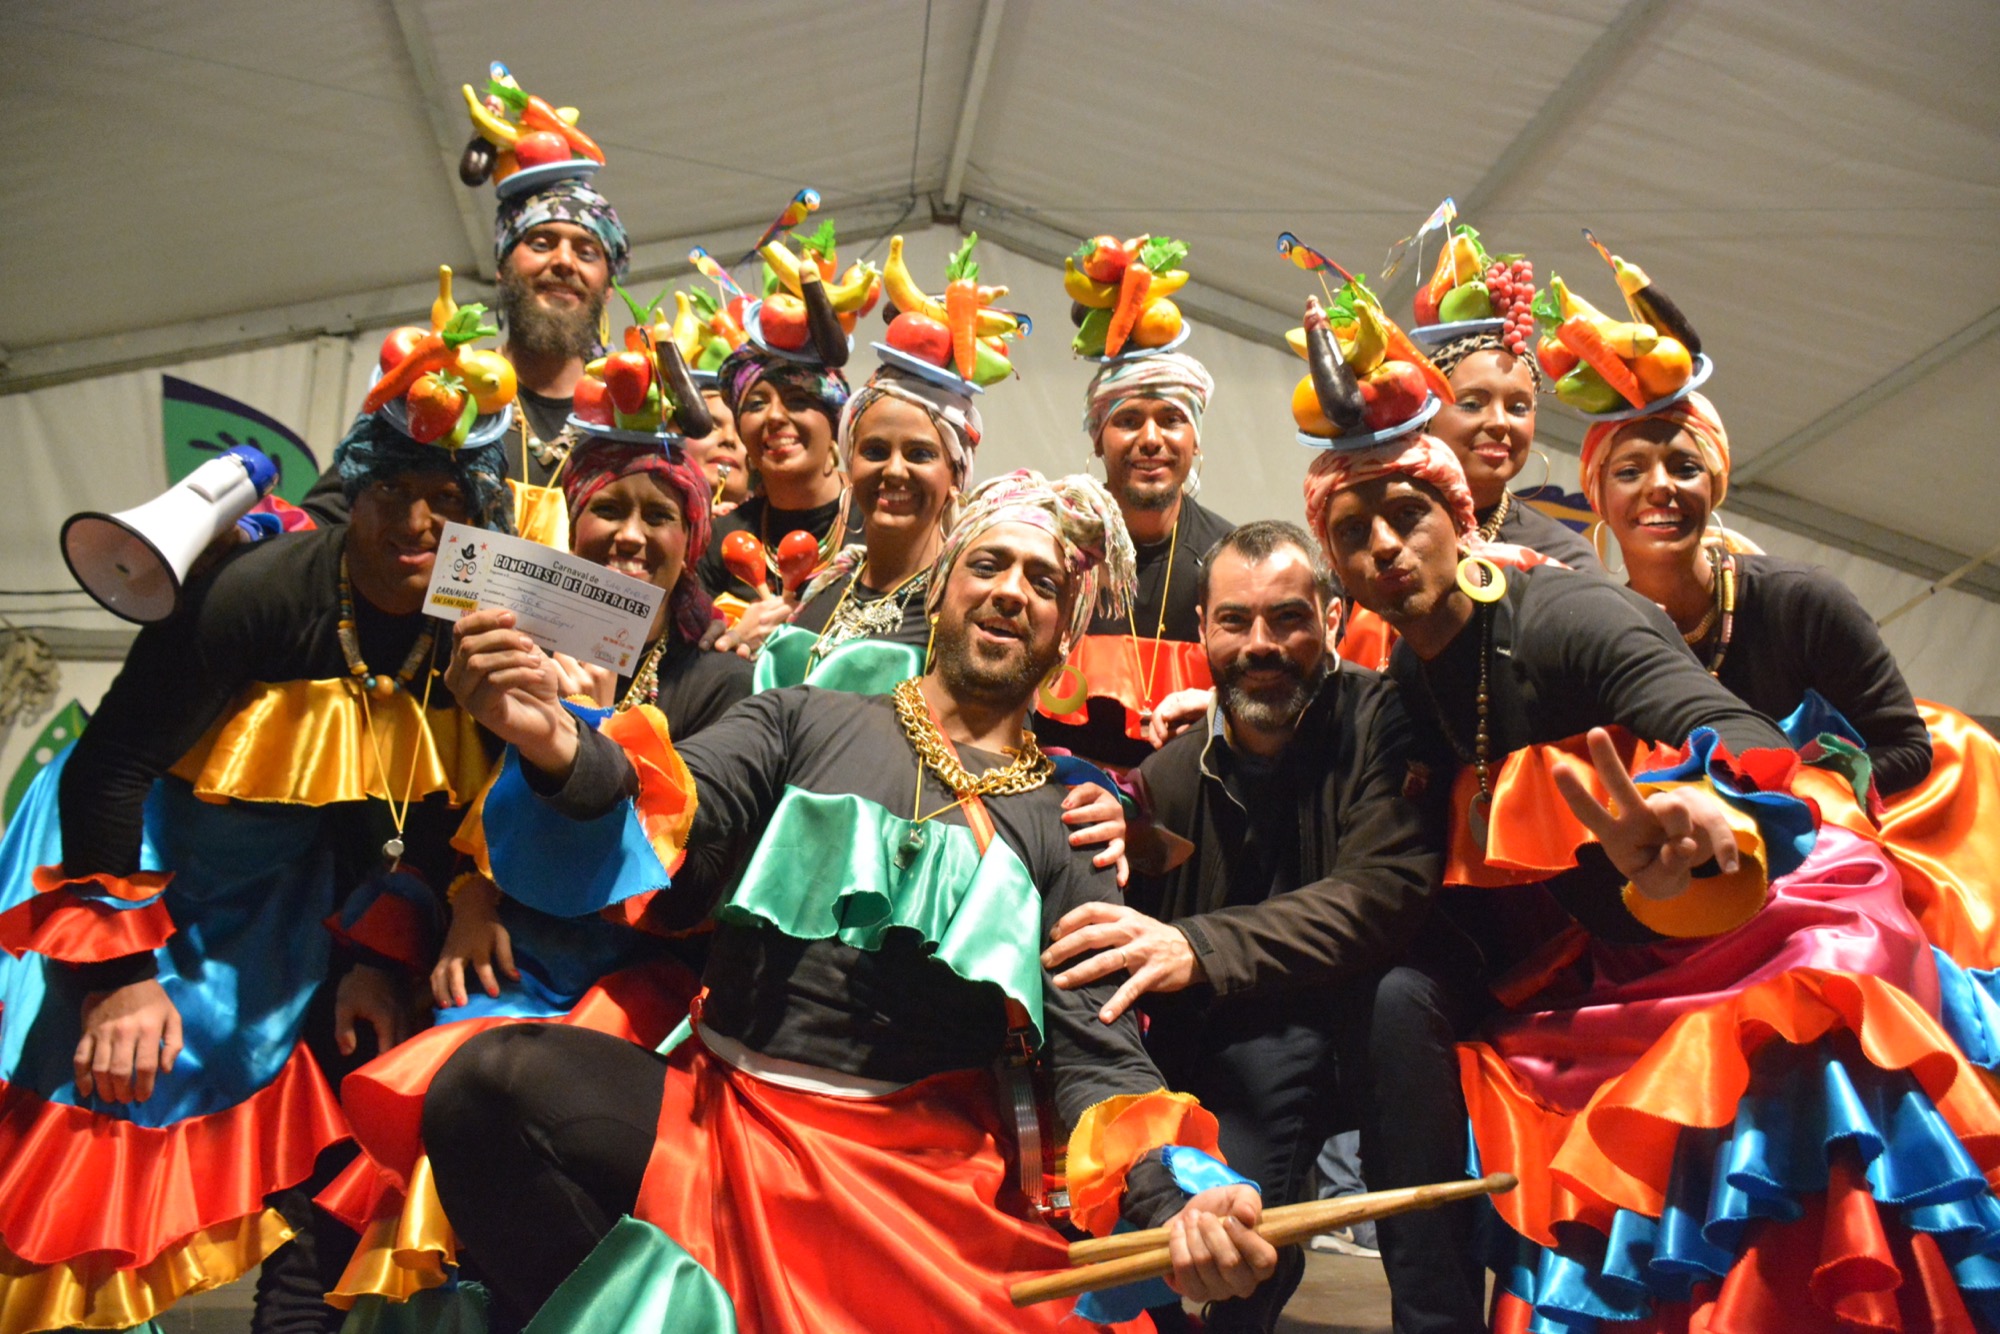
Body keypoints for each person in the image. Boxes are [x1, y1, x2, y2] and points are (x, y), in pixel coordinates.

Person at [425, 470, 1280, 1333]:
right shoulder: (801, 719)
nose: (1011, 591)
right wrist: (557, 741)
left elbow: (1099, 1055)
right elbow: (673, 800)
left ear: (1066, 636)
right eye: (988, 564)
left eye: (1044, 582)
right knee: (485, 1087)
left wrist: (1180, 1197)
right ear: (941, 590)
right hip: (720, 1122)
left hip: (916, 1196)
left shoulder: (1070, 824)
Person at [1310, 432, 2000, 1330]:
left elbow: (1735, 727)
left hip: (1746, 904)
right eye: (1354, 533)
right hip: (1589, 941)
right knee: (1408, 1008)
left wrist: (1704, 809)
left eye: (1408, 517)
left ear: (1462, 522)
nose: (1384, 546)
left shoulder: (1569, 614)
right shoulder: (1410, 673)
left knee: (1807, 1016)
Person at [0, 372, 517, 1332]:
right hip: (125, 861)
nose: (416, 523)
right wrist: (116, 977)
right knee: (73, 1132)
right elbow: (107, 772)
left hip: (277, 894)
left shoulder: (470, 618)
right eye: (391, 490)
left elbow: (421, 806)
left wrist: (375, 956)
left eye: (447, 499)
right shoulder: (260, 592)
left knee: (273, 1149)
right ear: (353, 490)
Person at [320, 421, 750, 1317]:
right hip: (504, 955)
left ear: (693, 542)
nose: (631, 535)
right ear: (571, 524)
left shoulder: (719, 681)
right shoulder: (501, 642)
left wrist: (593, 732)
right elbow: (438, 813)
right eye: (609, 510)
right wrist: (464, 900)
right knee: (441, 1168)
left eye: (660, 516)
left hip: (647, 982)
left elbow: (694, 875)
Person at [1043, 520, 1447, 1333]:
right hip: (1237, 1038)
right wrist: (1116, 815)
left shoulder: (1387, 721)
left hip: (1366, 1021)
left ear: (1332, 619)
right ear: (1203, 631)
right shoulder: (1171, 771)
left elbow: (1381, 892)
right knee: (1179, 1236)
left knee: (1389, 1024)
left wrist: (1195, 946)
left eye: (1287, 618)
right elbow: (1137, 853)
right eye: (1235, 620)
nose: (1260, 643)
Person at [1580, 391, 1929, 795]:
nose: (1659, 487)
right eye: (1629, 472)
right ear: (1599, 497)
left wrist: (1788, 801)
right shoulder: (1599, 636)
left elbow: (1907, 747)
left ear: (1714, 486)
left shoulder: (1803, 602)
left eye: (1686, 468)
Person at [1036, 350, 1235, 773]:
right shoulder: (1046, 545)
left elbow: (1255, 718)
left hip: (1188, 801)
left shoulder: (1231, 563)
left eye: (1171, 419)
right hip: (1051, 795)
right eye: (1128, 420)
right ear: (1097, 437)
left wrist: (1218, 717)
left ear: (1195, 438)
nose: (1150, 439)